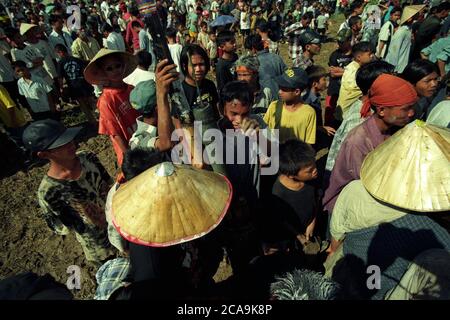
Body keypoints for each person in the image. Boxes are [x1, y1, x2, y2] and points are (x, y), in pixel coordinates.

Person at [326, 122, 450, 299]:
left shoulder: (354, 190)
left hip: (348, 276)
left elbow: (336, 241)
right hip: (388, 290)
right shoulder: (436, 227)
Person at [323, 74, 418, 216]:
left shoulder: (394, 129)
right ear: (381, 111)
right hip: (348, 209)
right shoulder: (358, 141)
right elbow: (369, 187)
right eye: (406, 109)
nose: (411, 113)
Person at [22, 119, 115, 263]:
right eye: (61, 144)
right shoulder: (48, 192)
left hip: (120, 223)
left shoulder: (88, 157)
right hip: (100, 247)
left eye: (69, 139)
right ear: (44, 155)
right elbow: (64, 227)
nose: (71, 144)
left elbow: (108, 184)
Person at [325, 60, 395, 175]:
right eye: (391, 82)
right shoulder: (359, 120)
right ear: (372, 88)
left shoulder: (371, 109)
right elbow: (353, 168)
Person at [261, 139, 319, 256]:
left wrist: (312, 222)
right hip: (290, 236)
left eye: (314, 164)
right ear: (291, 175)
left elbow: (317, 200)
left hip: (308, 229)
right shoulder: (278, 193)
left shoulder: (312, 179)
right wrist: (299, 236)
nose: (315, 171)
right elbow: (282, 220)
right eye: (309, 171)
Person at [84, 49, 140, 166]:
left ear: (123, 66)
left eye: (117, 66)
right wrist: (129, 158)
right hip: (129, 150)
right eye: (109, 69)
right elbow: (115, 134)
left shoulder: (132, 88)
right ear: (102, 73)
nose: (115, 71)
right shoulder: (106, 100)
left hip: (143, 141)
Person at [264, 67, 316, 144]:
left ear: (297, 92)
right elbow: (264, 133)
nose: (279, 92)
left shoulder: (309, 113)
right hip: (273, 154)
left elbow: (308, 143)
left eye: (284, 89)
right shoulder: (274, 106)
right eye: (279, 88)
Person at [54, 44, 96, 125]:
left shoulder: (60, 63)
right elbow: (86, 68)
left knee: (83, 104)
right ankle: (100, 117)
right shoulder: (76, 59)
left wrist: (61, 88)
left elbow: (60, 77)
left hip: (74, 86)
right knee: (91, 101)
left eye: (57, 53)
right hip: (84, 83)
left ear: (60, 52)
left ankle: (93, 121)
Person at [336, 41, 375, 121]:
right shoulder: (354, 72)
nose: (372, 56)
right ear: (359, 57)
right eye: (369, 54)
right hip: (346, 115)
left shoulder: (356, 67)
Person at [385, 5, 425, 74]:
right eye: (417, 13)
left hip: (402, 66)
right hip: (397, 68)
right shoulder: (402, 31)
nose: (420, 14)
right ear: (410, 18)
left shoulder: (409, 29)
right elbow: (393, 51)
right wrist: (392, 69)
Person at [244, 34, 286, 100]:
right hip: (280, 97)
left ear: (253, 49)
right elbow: (286, 76)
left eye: (249, 50)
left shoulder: (253, 63)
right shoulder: (276, 57)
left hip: (265, 100)